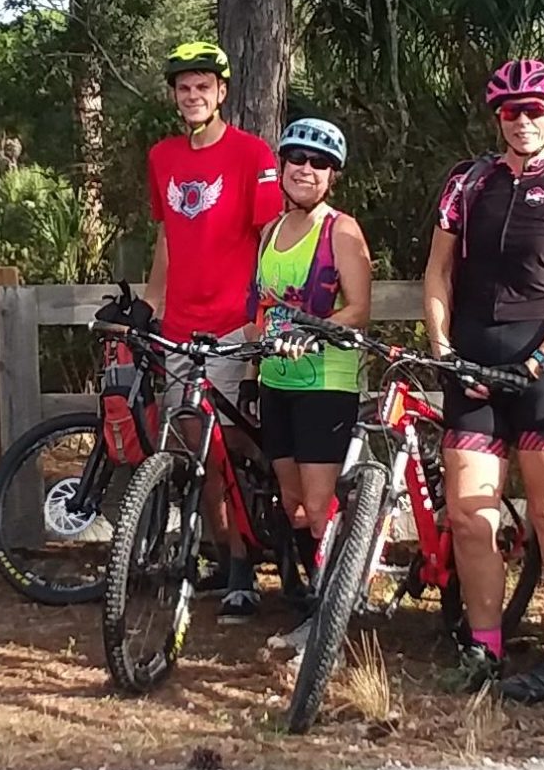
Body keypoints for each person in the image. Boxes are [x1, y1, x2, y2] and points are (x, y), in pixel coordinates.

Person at [422, 56, 544, 702]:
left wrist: (537, 363)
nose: (523, 120)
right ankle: (484, 648)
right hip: (471, 365)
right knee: (470, 518)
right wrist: (444, 348)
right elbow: (438, 274)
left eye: (535, 110)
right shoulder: (465, 183)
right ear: (498, 119)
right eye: (511, 111)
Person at [144, 40, 282, 618]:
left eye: (204, 86)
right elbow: (166, 237)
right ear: (175, 97)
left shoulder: (253, 154)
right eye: (184, 87)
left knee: (234, 445)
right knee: (190, 445)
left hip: (231, 323)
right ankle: (225, 558)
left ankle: (260, 555)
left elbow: (272, 242)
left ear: (222, 92)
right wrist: (151, 306)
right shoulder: (162, 157)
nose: (194, 95)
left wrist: (259, 323)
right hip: (179, 324)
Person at [251, 118, 374, 656]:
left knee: (321, 506)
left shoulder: (340, 230)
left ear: (333, 176)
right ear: (281, 166)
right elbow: (264, 308)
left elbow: (359, 309)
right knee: (293, 500)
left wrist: (312, 331)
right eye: (297, 158)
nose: (306, 168)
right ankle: (319, 603)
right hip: (276, 377)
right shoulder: (269, 233)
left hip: (326, 379)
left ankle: (329, 618)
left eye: (319, 162)